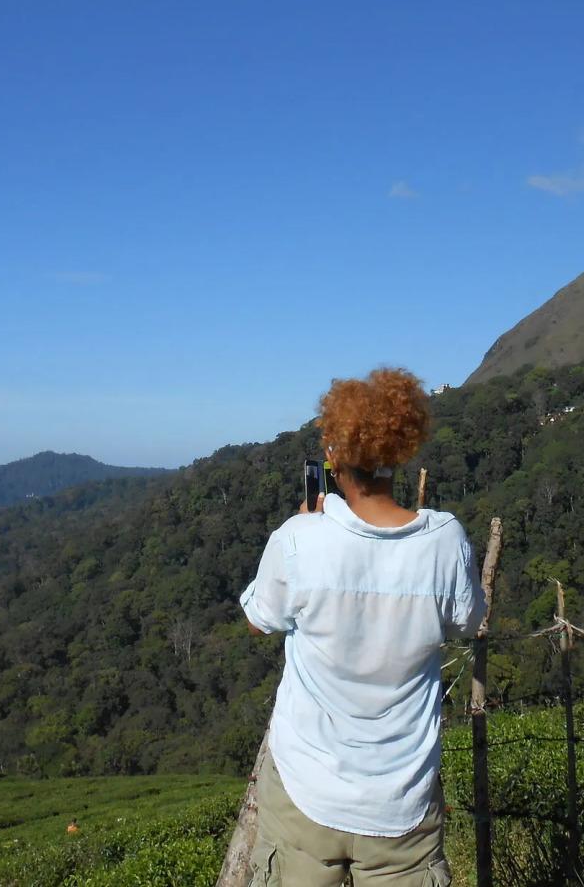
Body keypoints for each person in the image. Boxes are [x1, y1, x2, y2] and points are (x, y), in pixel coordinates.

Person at [240, 367, 486, 887]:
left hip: (305, 793)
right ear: (401, 452)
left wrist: (306, 523)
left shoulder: (299, 540)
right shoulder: (445, 541)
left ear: (331, 459)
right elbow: (467, 620)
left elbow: (259, 620)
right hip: (402, 800)